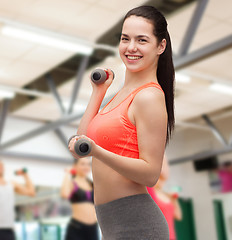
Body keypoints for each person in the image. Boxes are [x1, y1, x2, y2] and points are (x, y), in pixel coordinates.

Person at [69, 5, 174, 239]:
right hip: (111, 223)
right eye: (125, 38)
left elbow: (150, 174)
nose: (131, 47)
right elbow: (80, 146)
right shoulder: (119, 95)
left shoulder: (149, 96)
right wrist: (98, 92)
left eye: (142, 40)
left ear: (161, 46)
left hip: (138, 224)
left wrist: (98, 151)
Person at [60, 157, 98, 240]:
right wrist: (68, 174)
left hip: (93, 229)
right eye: (82, 164)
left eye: (88, 164)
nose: (86, 167)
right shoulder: (73, 183)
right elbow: (64, 194)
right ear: (75, 166)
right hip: (77, 228)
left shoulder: (92, 184)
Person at [148, 157, 182, 240]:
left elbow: (178, 216)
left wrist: (174, 199)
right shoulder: (150, 193)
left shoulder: (166, 195)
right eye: (159, 178)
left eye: (162, 179)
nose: (161, 181)